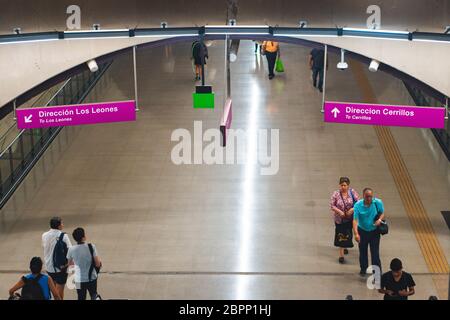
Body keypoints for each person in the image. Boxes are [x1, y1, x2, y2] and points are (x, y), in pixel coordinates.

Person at [353, 188, 385, 276]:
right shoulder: (358, 205)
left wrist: (379, 220)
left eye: (370, 196)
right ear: (363, 196)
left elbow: (382, 213)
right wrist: (356, 233)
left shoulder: (377, 202)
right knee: (363, 252)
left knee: (375, 254)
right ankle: (363, 268)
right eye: (367, 197)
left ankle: (377, 274)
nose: (369, 199)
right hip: (362, 231)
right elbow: (355, 220)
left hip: (374, 233)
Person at [330, 177, 359, 264]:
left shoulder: (352, 192)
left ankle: (345, 245)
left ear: (348, 185)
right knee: (341, 234)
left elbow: (358, 203)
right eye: (341, 185)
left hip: (350, 218)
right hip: (340, 219)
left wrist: (352, 210)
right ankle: (341, 255)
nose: (343, 187)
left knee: (348, 232)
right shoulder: (336, 194)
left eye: (345, 185)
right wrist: (339, 212)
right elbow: (332, 205)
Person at [67, 227, 102, 300]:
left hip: (78, 279)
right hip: (91, 278)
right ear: (84, 237)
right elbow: (97, 264)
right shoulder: (91, 246)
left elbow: (70, 265)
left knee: (81, 297)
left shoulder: (71, 249)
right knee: (94, 295)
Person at [42, 216, 72, 300]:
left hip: (49, 267)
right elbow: (70, 250)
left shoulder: (44, 235)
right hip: (60, 268)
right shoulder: (63, 236)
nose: (63, 225)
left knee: (54, 291)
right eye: (62, 223)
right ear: (58, 226)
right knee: (59, 292)